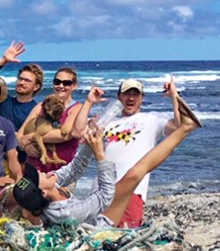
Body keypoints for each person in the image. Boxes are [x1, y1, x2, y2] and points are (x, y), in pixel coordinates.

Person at [12, 109, 199, 228]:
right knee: (134, 175)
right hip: (100, 227)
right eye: (38, 177)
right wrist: (100, 155)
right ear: (43, 193)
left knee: (132, 174)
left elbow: (75, 169)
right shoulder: (65, 213)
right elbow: (105, 197)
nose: (42, 171)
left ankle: (185, 127)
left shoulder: (51, 183)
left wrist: (91, 139)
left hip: (94, 213)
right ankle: (185, 128)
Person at [79, 78, 193, 228]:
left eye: (135, 94)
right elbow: (79, 134)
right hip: (100, 190)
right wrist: (89, 102)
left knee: (122, 238)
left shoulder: (151, 119)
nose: (131, 98)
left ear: (142, 98)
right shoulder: (108, 123)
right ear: (119, 98)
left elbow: (178, 127)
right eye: (127, 94)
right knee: (94, 237)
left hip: (130, 190)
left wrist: (174, 96)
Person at [18, 67, 85, 173]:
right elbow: (19, 135)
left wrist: (31, 137)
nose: (61, 86)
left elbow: (64, 135)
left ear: (74, 86)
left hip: (62, 172)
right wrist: (26, 147)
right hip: (35, 169)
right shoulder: (41, 106)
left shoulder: (77, 108)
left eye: (66, 83)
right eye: (57, 82)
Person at [0, 41, 42, 130]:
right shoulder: (5, 102)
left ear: (36, 86)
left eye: (27, 80)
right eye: (20, 79)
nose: (22, 83)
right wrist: (3, 60)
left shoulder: (36, 110)